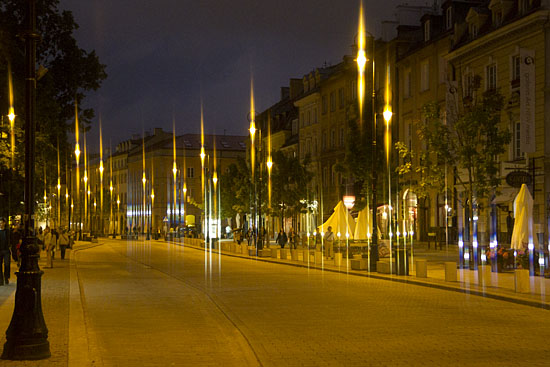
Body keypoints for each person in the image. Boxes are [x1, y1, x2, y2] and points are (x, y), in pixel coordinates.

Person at [0, 218, 11, 285]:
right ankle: (1, 280)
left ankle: (6, 277)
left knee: (7, 264)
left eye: (1, 223)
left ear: (4, 223)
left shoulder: (7, 231)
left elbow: (10, 239)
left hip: (6, 250)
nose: (0, 225)